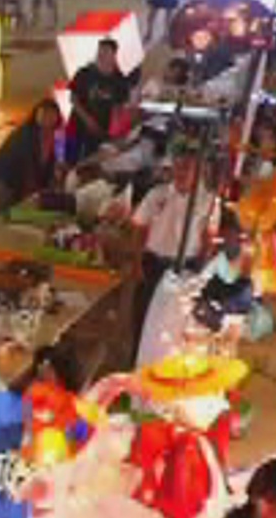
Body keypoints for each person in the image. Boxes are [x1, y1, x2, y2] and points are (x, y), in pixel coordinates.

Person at [132, 153, 219, 339]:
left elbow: (208, 238)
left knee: (174, 321)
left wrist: (201, 270)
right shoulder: (157, 194)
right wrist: (137, 261)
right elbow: (139, 227)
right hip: (153, 263)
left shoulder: (208, 201)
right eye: (178, 167)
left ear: (198, 172)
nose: (181, 173)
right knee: (144, 317)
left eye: (187, 168)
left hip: (186, 265)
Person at [0, 100, 62, 220]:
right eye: (44, 113)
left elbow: (49, 170)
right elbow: (27, 171)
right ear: (36, 116)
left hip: (16, 185)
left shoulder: (52, 138)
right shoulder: (26, 135)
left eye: (51, 114)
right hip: (3, 182)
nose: (47, 118)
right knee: (2, 220)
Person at [68, 39, 135, 165]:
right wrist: (88, 120)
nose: (101, 54)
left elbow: (119, 107)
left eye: (105, 51)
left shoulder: (120, 79)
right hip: (77, 126)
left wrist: (117, 130)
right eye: (100, 51)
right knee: (70, 162)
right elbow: (73, 99)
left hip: (101, 131)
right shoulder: (85, 73)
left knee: (92, 164)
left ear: (114, 54)